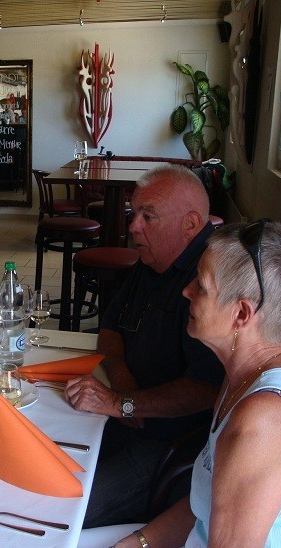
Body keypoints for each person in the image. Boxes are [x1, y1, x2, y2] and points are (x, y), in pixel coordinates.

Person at [66, 219, 281, 548]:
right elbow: (203, 507)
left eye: (202, 286)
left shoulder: (264, 419)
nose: (186, 290)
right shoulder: (243, 376)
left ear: (241, 315)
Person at [65, 164, 224, 528]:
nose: (133, 226)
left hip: (170, 445)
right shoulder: (153, 260)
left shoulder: (212, 280)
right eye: (134, 213)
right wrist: (122, 382)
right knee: (37, 457)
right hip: (125, 415)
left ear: (190, 224)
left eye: (147, 216)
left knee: (60, 511)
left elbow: (206, 389)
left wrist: (123, 402)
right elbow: (110, 327)